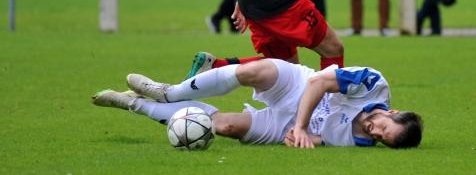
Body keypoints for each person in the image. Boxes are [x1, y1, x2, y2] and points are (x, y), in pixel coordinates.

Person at [92, 58, 423, 149]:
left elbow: (325, 140)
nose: (374, 131)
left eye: (381, 138)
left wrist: (300, 137)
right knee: (254, 70)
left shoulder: (361, 143)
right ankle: (169, 92)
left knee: (223, 126)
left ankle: (133, 104)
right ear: (392, 112)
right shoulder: (373, 84)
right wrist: (302, 125)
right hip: (299, 87)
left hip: (290, 125)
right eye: (383, 127)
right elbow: (319, 82)